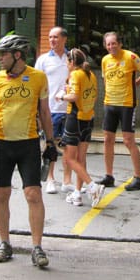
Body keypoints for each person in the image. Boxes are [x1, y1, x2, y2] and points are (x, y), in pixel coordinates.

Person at [0, 34, 54, 268]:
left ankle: (37, 247)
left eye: (3, 54)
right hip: (2, 143)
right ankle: (4, 243)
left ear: (17, 55)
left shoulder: (38, 77)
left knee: (33, 194)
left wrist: (51, 142)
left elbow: (45, 112)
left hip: (28, 143)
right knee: (1, 194)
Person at [97, 31, 140, 190]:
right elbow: (105, 79)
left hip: (127, 105)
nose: (111, 47)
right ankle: (109, 176)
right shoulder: (105, 60)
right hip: (109, 104)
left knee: (128, 141)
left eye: (113, 43)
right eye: (108, 44)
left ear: (120, 44)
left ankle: (138, 178)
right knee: (108, 139)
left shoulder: (130, 57)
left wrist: (135, 84)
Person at [58, 48, 105, 208]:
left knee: (69, 159)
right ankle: (77, 193)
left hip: (75, 118)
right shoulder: (90, 74)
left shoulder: (75, 75)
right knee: (81, 158)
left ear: (72, 62)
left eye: (67, 61)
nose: (66, 64)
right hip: (88, 118)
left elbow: (74, 96)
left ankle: (92, 186)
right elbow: (93, 95)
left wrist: (61, 96)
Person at [34, 26, 71, 195]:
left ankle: (67, 181)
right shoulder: (43, 60)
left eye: (55, 37)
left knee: (70, 146)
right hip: (50, 109)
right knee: (50, 144)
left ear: (64, 39)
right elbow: (35, 85)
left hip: (69, 108)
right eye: (50, 37)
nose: (52, 40)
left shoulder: (72, 57)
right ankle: (50, 179)